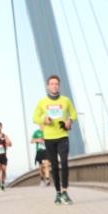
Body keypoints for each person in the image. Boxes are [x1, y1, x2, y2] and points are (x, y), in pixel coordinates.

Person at [32, 75, 77, 205]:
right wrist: (43, 120)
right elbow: (35, 117)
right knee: (55, 166)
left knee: (64, 163)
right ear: (48, 86)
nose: (54, 86)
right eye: (52, 84)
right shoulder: (42, 102)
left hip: (63, 136)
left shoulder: (66, 100)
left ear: (59, 85)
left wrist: (69, 121)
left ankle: (65, 192)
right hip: (49, 137)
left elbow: (73, 114)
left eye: (56, 84)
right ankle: (57, 192)